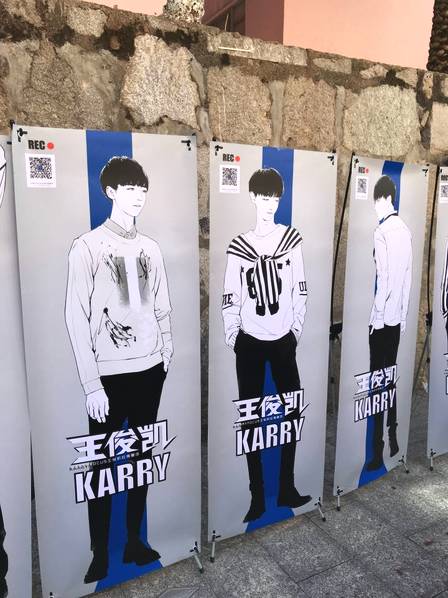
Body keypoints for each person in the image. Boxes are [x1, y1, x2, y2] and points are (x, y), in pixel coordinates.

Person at [65, 157, 173, 583]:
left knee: (142, 459)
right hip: (108, 376)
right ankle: (100, 552)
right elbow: (76, 316)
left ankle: (134, 540)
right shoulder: (87, 247)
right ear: (110, 191)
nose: (138, 195)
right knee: (102, 465)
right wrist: (91, 383)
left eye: (142, 188)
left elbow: (162, 305)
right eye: (129, 188)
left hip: (150, 369)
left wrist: (166, 350)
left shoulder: (151, 248)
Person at [222, 167, 312, 523]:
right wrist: (234, 336)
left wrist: (294, 331)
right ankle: (257, 495)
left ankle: (286, 486)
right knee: (251, 418)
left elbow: (300, 289)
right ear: (252, 198)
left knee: (291, 412)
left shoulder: (291, 240)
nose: (270, 203)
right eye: (264, 197)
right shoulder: (239, 246)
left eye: (275, 197)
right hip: (250, 342)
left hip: (283, 341)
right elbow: (230, 294)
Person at [367, 175, 412, 471]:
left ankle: (376, 451)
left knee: (377, 385)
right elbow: (407, 280)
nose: (374, 207)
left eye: (376, 201)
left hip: (383, 321)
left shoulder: (382, 231)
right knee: (390, 379)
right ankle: (393, 439)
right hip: (396, 321)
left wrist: (376, 318)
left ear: (384, 199)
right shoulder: (405, 230)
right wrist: (403, 316)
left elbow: (383, 280)